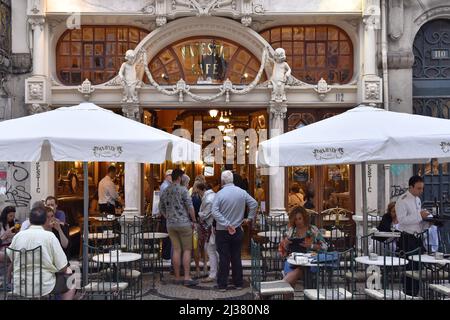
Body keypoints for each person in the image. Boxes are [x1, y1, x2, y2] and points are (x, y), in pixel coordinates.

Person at [7, 207, 76, 300]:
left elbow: (11, 257)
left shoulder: (18, 236)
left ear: (30, 220)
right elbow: (63, 267)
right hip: (44, 286)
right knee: (72, 281)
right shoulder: (50, 236)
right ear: (44, 220)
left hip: (20, 284)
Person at [211, 170, 258, 292]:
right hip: (237, 229)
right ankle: (238, 283)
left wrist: (226, 224)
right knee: (236, 257)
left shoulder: (219, 194)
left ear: (222, 181)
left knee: (224, 257)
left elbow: (214, 211)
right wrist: (249, 218)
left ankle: (222, 285)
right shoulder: (242, 192)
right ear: (232, 180)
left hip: (223, 230)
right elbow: (254, 204)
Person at [159, 169, 198, 286]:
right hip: (184, 223)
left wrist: (168, 217)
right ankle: (186, 277)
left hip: (171, 224)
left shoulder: (166, 190)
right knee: (187, 250)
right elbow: (190, 207)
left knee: (176, 250)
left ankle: (177, 277)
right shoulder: (183, 190)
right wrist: (194, 220)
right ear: (180, 178)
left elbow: (161, 207)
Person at [395, 175, 431, 296]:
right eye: (418, 188)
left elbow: (417, 222)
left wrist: (428, 223)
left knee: (418, 268)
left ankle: (415, 294)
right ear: (411, 187)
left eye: (422, 188)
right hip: (407, 238)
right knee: (409, 268)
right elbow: (402, 220)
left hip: (417, 237)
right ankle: (408, 294)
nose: (421, 191)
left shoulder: (418, 200)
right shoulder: (402, 200)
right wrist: (420, 215)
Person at [279, 206, 328, 287]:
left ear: (304, 218)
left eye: (299, 218)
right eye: (295, 219)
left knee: (298, 270)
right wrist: (286, 244)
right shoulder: (291, 231)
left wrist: (311, 245)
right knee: (295, 269)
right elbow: (282, 251)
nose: (298, 222)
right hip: (293, 260)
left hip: (310, 262)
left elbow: (324, 247)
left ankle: (276, 289)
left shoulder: (313, 230)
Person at [197, 183, 218, 283]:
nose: (199, 194)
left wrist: (199, 214)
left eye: (199, 191)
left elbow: (205, 214)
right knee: (213, 249)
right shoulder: (213, 195)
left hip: (211, 227)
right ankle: (216, 271)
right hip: (214, 227)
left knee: (210, 249)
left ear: (204, 189)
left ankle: (213, 273)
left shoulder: (208, 199)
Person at [191, 180, 206, 277]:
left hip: (195, 225)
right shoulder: (205, 198)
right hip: (204, 225)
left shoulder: (192, 198)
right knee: (204, 247)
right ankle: (205, 267)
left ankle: (197, 269)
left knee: (196, 246)